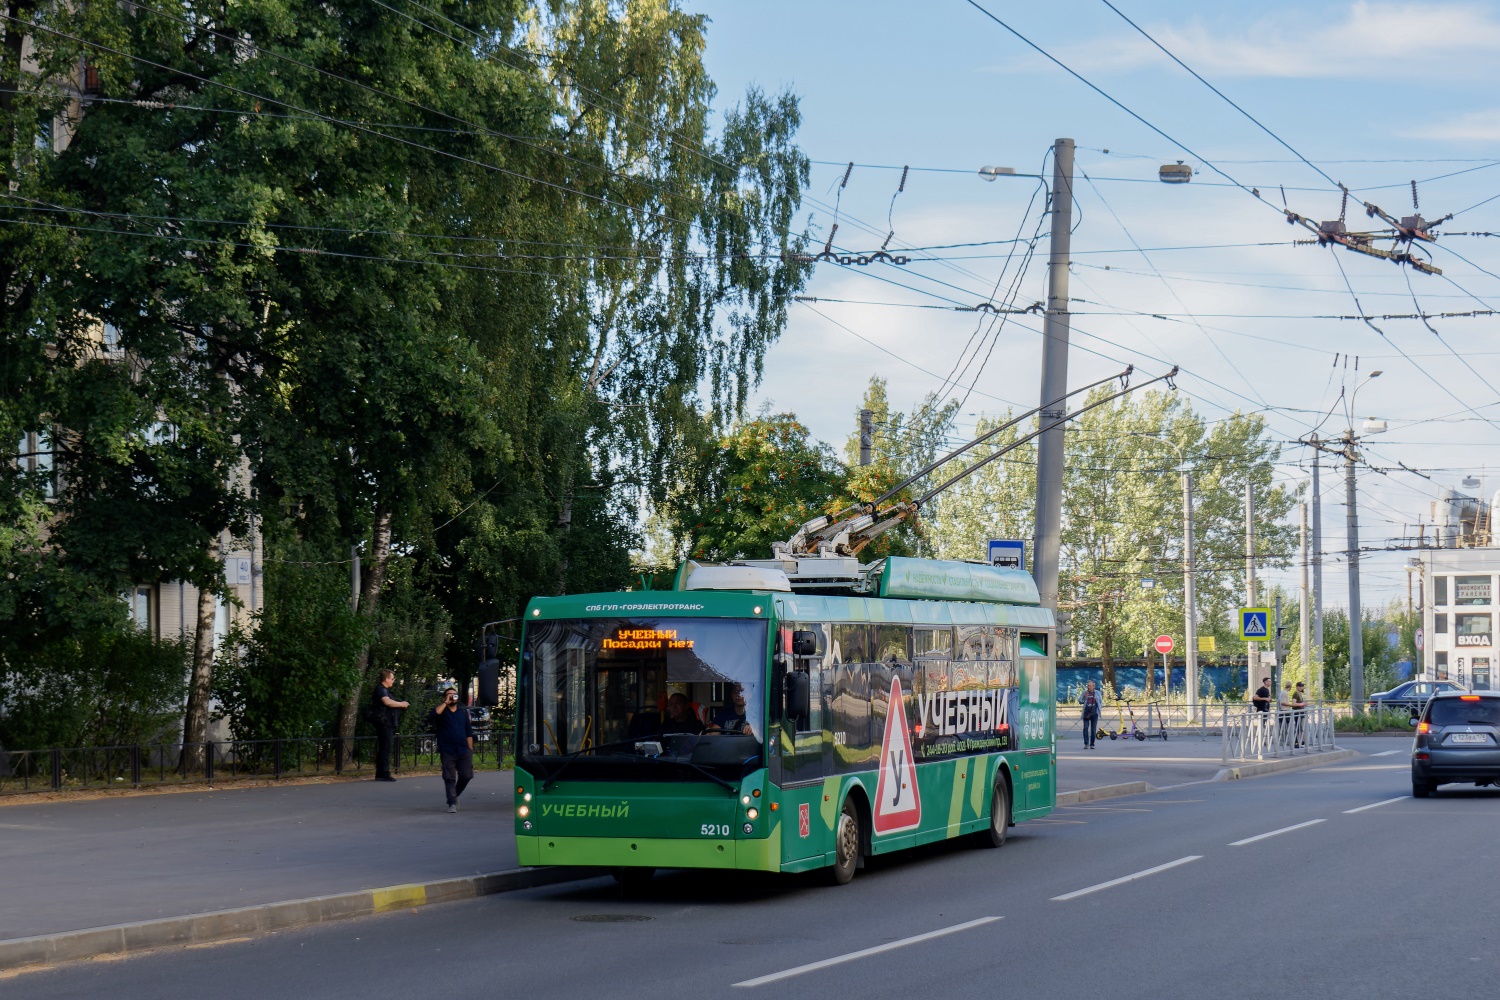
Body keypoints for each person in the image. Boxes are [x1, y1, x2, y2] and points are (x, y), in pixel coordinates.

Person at [428, 682, 474, 813]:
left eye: (455, 695)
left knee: (467, 775)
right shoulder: (442, 712)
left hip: (463, 749)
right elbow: (433, 716)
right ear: (445, 697)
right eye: (449, 695)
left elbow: (468, 731)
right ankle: (452, 802)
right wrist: (445, 703)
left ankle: (455, 795)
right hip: (448, 750)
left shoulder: (462, 713)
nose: (452, 697)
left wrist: (470, 749)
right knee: (449, 777)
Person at [371, 669, 409, 782]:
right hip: (384, 722)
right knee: (385, 747)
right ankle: (384, 773)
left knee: (385, 747)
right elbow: (387, 702)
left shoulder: (384, 690)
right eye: (392, 679)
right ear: (386, 679)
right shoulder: (381, 690)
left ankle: (381, 772)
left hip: (386, 722)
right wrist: (401, 704)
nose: (393, 681)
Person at [1079, 681, 1102, 749]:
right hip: (1086, 713)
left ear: (1093, 686)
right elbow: (1080, 701)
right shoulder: (1084, 692)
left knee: (1093, 729)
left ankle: (1092, 744)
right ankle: (1086, 743)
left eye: (1090, 685)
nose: (1088, 687)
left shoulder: (1097, 693)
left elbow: (1101, 702)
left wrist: (1099, 709)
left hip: (1094, 713)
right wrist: (1084, 697)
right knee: (1085, 728)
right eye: (1088, 685)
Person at [1290, 681, 1309, 747]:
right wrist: (1302, 704)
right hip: (1297, 712)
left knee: (1300, 727)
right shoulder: (1295, 693)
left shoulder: (1299, 693)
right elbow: (1293, 703)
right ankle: (1297, 742)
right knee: (1298, 727)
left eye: (1302, 686)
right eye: (1300, 686)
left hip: (1301, 712)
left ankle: (1301, 741)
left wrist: (1304, 704)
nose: (1302, 687)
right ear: (1297, 687)